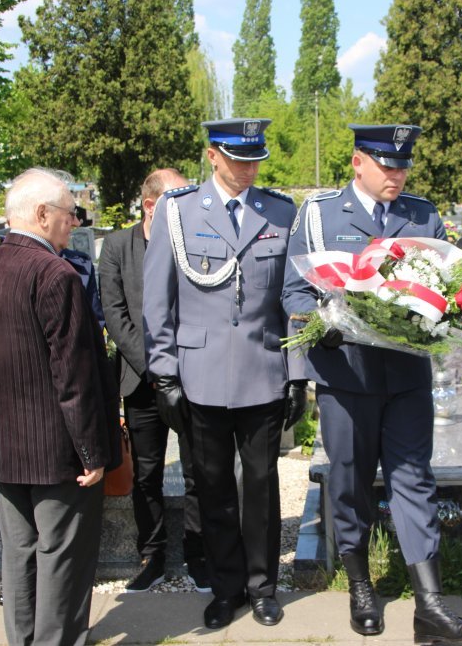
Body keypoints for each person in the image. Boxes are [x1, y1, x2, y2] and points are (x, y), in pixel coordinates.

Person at [282, 124, 462, 644]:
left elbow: (445, 286)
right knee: (349, 483)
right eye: (386, 165)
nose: (397, 175)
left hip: (406, 378)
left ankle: (431, 608)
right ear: (358, 162)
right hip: (346, 374)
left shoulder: (422, 215)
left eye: (403, 166)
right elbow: (294, 290)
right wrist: (322, 327)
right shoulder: (320, 214)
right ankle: (360, 588)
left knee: (414, 481)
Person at [143, 119, 305, 629]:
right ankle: (225, 587)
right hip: (200, 376)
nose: (249, 169)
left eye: (256, 159)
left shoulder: (279, 210)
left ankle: (262, 588)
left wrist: (298, 374)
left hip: (263, 372)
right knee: (211, 489)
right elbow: (157, 300)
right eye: (239, 159)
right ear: (213, 155)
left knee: (260, 488)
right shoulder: (178, 211)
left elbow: (293, 299)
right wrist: (165, 375)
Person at [0, 168, 121, 645]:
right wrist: (93, 453)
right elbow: (72, 375)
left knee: (20, 551)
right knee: (61, 554)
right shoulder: (57, 275)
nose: (73, 223)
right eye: (68, 214)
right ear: (40, 214)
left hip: (2, 441)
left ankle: (25, 640)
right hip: (57, 448)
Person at [99, 168, 207, 593]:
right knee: (146, 473)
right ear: (151, 205)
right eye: (178, 199)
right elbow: (115, 313)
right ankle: (153, 554)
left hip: (192, 378)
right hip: (142, 380)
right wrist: (156, 369)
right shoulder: (117, 247)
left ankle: (198, 555)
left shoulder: (194, 241)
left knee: (199, 469)